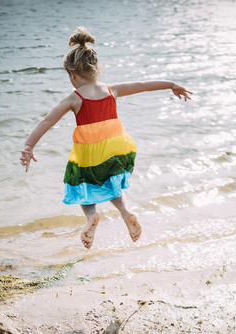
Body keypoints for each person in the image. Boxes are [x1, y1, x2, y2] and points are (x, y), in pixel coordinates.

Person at [20, 27, 192, 249]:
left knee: (80, 184)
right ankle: (126, 211)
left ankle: (91, 215)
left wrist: (29, 146)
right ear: (96, 69)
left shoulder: (74, 98)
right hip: (117, 151)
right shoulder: (113, 90)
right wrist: (171, 84)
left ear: (72, 74)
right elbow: (143, 85)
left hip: (89, 154)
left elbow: (46, 121)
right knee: (113, 186)